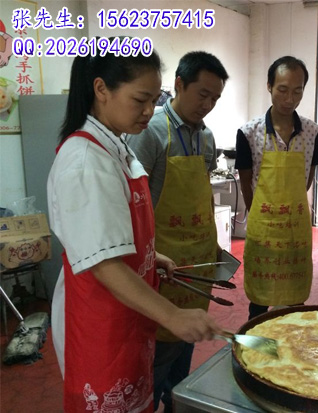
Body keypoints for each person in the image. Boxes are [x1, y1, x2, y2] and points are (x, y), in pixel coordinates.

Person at [47, 41, 221, 413]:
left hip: (128, 318)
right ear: (101, 89)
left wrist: (148, 255)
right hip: (101, 323)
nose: (148, 111)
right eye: (140, 99)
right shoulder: (84, 160)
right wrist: (172, 315)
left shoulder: (116, 148)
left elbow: (106, 234)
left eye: (154, 99)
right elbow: (103, 264)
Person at [126, 50, 228, 412]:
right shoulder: (150, 132)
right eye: (203, 94)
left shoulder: (207, 137)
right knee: (158, 349)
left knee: (185, 343)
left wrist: (214, 248)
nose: (209, 104)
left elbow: (200, 190)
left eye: (215, 98)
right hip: (163, 262)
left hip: (197, 262)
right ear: (179, 84)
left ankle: (175, 400)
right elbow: (135, 205)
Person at [235, 56, 318, 320]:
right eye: (283, 90)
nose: (289, 99)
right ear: (269, 86)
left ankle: (291, 356)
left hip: (296, 228)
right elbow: (246, 179)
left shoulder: (312, 131)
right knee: (260, 303)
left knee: (294, 303)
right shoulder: (248, 132)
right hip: (264, 229)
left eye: (297, 91)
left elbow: (309, 175)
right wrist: (263, 216)